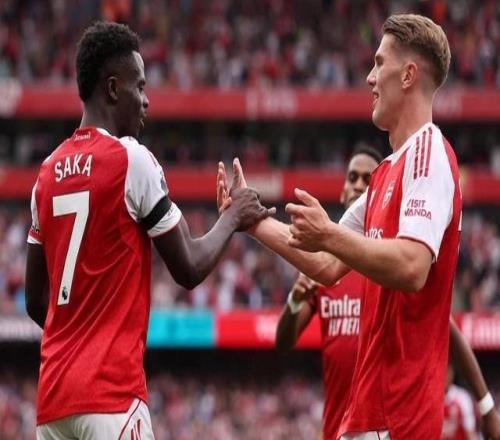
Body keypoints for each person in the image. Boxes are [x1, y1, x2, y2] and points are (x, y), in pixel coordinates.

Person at [216, 13, 494, 439]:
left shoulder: (430, 155)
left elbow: (412, 266)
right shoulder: (385, 173)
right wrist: (249, 220)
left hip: (398, 417)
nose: (370, 77)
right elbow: (325, 265)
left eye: (379, 63)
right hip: (368, 416)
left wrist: (329, 233)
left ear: (408, 75)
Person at [24, 22, 273, 440]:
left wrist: (77, 335)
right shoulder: (131, 159)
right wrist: (233, 216)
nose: (146, 100)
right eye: (140, 86)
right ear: (113, 88)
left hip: (52, 404)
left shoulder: (45, 174)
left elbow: (36, 302)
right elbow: (188, 268)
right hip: (111, 394)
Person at [274, 148, 500, 440]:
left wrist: (486, 406)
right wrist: (294, 301)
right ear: (342, 192)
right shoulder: (322, 268)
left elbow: (449, 333)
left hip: (384, 426)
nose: (358, 185)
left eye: (367, 180)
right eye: (352, 178)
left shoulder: (393, 263)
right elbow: (283, 343)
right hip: (336, 430)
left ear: (382, 195)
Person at [442, 366, 477, 440]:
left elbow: (470, 432)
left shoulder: (462, 397)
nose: (444, 377)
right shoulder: (429, 397)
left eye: (447, 372)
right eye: (442, 372)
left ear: (452, 374)